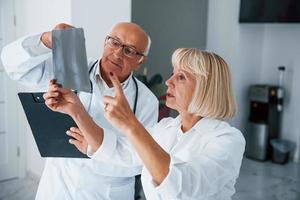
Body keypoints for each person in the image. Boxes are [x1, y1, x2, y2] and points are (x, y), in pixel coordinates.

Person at [44, 48, 246, 199]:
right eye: (173, 73)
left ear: (206, 88)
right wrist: (75, 110)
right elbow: (124, 152)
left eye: (181, 77)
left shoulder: (227, 139)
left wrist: (131, 124)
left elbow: (179, 186)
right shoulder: (166, 127)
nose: (168, 81)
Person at [1, 22, 159, 199]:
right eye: (114, 42)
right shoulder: (68, 71)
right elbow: (13, 66)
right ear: (105, 42)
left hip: (105, 192)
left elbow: (140, 161)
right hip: (58, 186)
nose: (117, 53)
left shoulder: (146, 102)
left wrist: (95, 148)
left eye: (129, 50)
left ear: (140, 61)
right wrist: (47, 40)